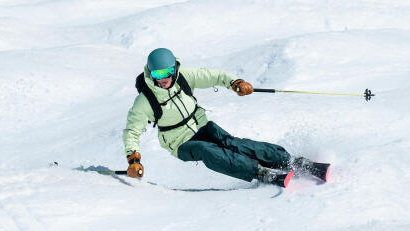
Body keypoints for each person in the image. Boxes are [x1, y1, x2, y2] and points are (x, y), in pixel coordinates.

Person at [123, 47, 329, 187]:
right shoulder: (145, 100)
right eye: (158, 75)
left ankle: (292, 162)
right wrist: (133, 159)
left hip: (202, 124)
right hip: (179, 142)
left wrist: (235, 82)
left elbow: (214, 75)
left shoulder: (184, 76)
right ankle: (260, 173)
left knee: (233, 144)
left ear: (174, 69)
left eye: (168, 72)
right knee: (208, 150)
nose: (164, 79)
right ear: (151, 74)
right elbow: (132, 131)